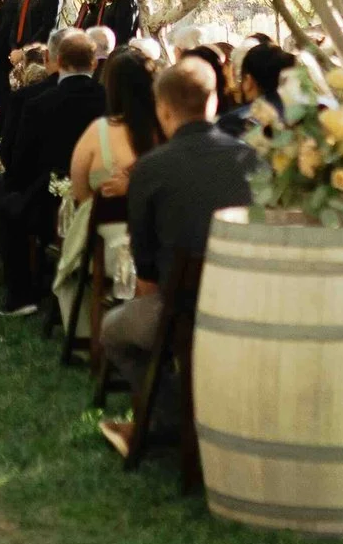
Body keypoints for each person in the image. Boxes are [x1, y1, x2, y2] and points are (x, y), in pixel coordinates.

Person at [99, 59, 258, 446]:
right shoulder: (253, 158)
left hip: (182, 309)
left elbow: (147, 271)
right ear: (214, 100)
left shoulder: (151, 170)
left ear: (163, 110)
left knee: (113, 330)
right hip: (253, 303)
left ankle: (172, 415)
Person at [0, 28, 107, 316]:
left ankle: (20, 293)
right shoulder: (109, 100)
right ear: (94, 63)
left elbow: (19, 165)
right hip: (102, 197)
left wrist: (13, 183)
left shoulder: (38, 104)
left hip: (48, 201)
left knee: (3, 200)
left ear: (54, 59)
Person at [54, 47, 162, 327]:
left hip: (114, 246)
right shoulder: (165, 132)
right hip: (163, 239)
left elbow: (81, 195)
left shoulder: (98, 133)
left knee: (78, 247)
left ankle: (91, 331)